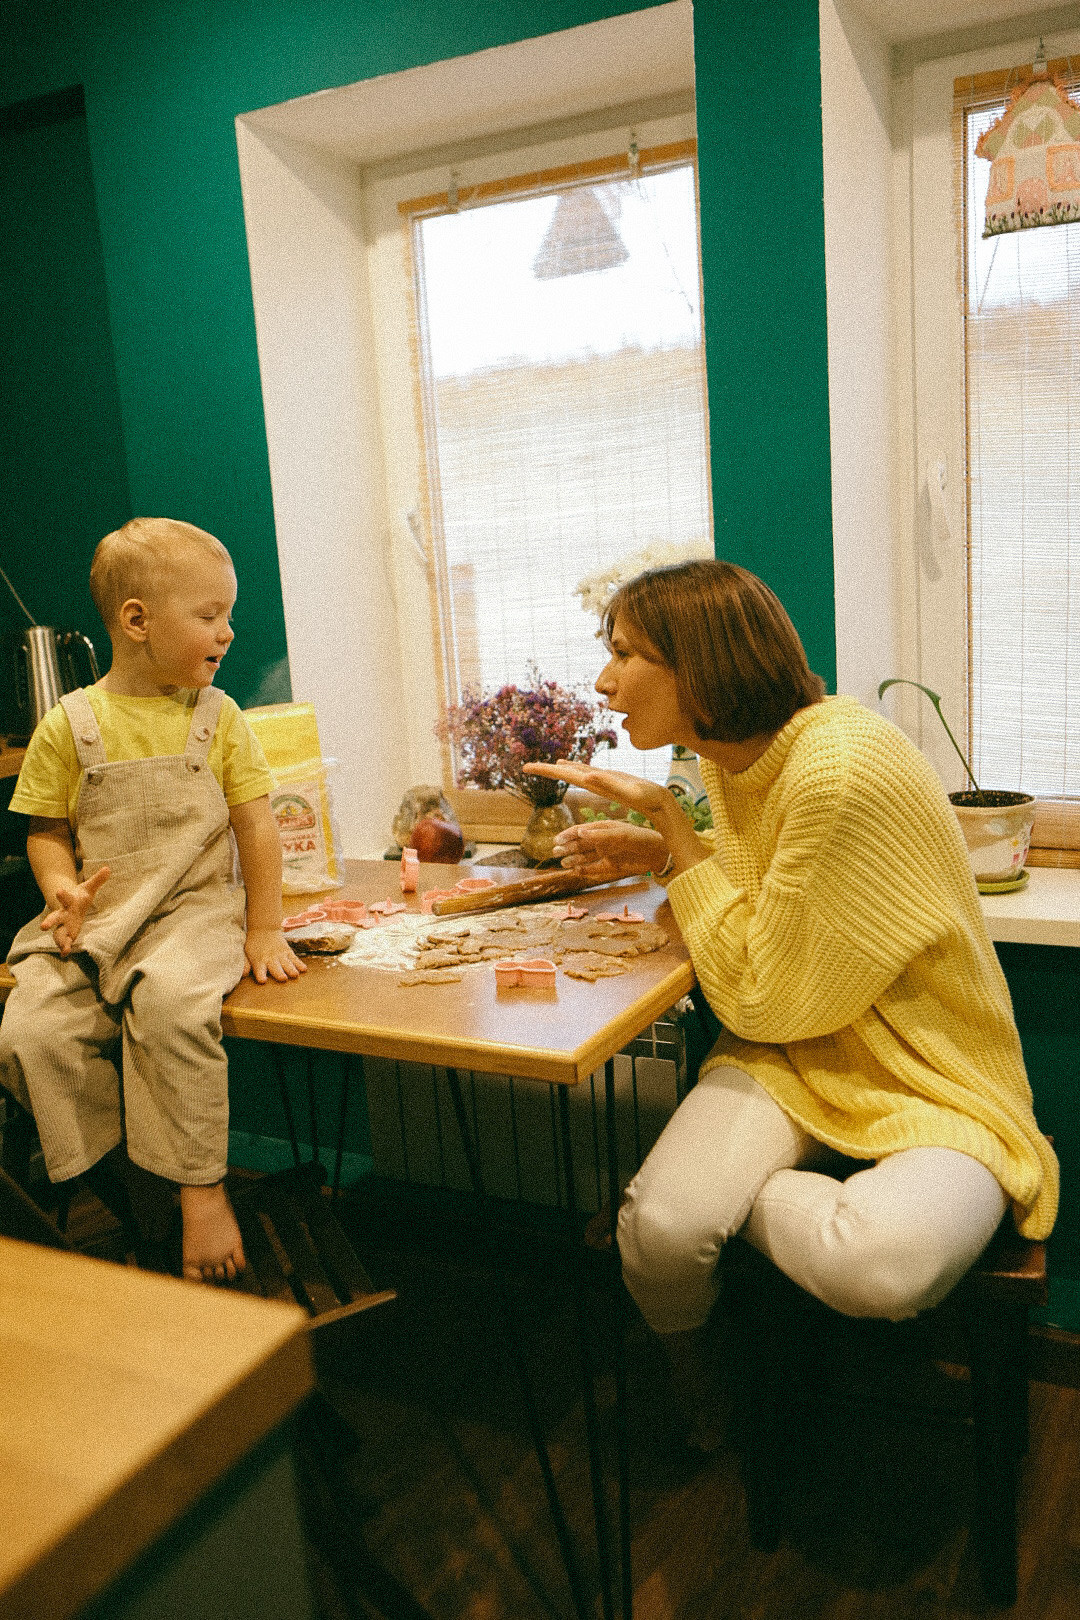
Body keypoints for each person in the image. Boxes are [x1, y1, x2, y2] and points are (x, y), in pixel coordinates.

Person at [526, 558, 1057, 1446]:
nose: (603, 681)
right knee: (659, 1232)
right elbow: (780, 901)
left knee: (883, 1265)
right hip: (797, 1053)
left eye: (624, 654)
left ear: (700, 666)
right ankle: (705, 1392)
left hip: (927, 1069)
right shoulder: (741, 760)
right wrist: (665, 851)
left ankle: (733, 1205)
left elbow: (766, 994)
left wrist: (668, 824)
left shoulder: (837, 768)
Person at [0, 518, 306, 1283]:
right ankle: (143, 1192)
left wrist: (264, 926)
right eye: (209, 616)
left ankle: (200, 1191)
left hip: (194, 912)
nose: (228, 633)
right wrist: (59, 887)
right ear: (136, 621)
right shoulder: (67, 724)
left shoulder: (219, 716)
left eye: (227, 616)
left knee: (170, 1006)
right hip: (101, 917)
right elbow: (46, 831)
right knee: (29, 1032)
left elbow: (258, 828)